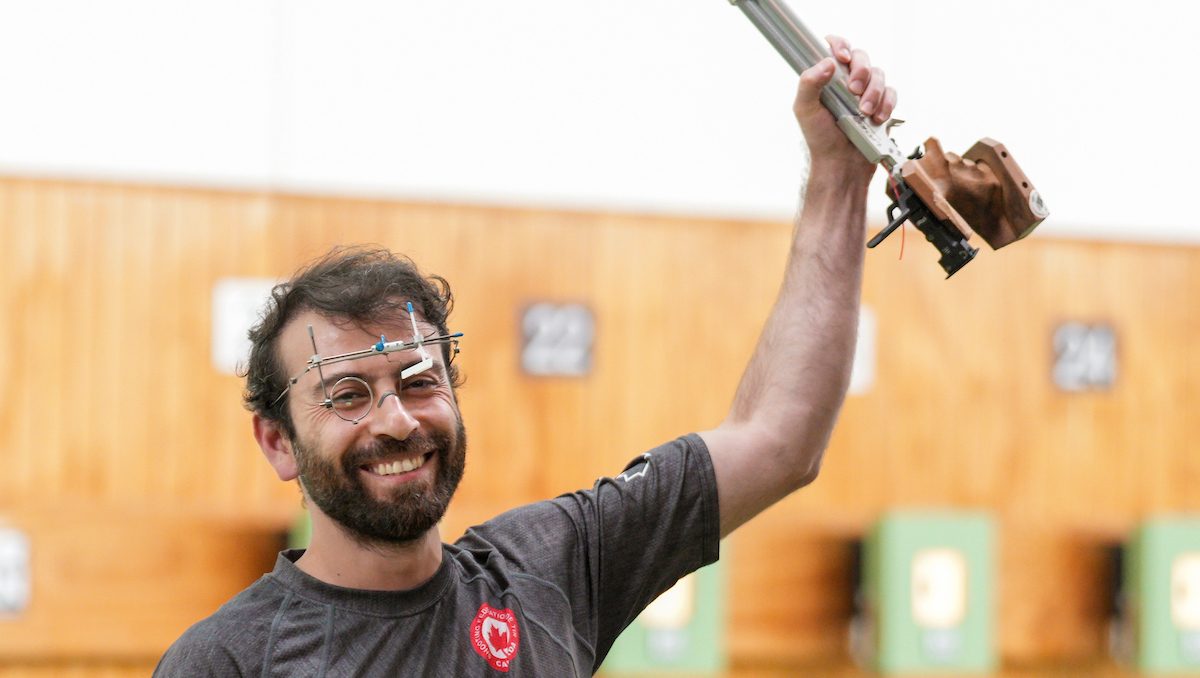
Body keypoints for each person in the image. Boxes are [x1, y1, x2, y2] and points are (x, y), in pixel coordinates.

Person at [154, 36, 896, 676]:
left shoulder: (548, 568)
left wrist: (837, 175)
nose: (397, 419)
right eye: (347, 394)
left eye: (418, 380)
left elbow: (779, 438)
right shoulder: (229, 660)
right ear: (277, 441)